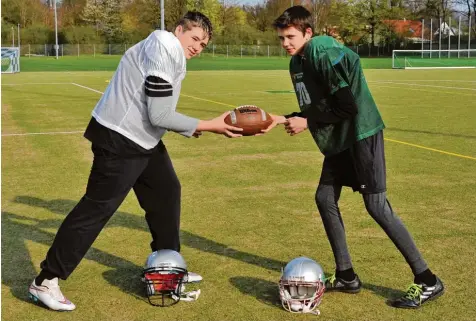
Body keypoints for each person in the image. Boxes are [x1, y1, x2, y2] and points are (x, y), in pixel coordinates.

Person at [28, 11, 242, 311]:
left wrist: (189, 128)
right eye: (194, 38)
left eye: (204, 44)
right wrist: (210, 125)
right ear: (178, 30)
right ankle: (45, 281)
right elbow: (160, 115)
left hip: (143, 140)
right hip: (119, 139)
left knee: (167, 192)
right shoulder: (164, 45)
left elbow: (158, 114)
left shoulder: (169, 51)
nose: (197, 46)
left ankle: (169, 266)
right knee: (96, 209)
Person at [265, 6, 444, 309]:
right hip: (340, 139)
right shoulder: (298, 62)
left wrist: (307, 122)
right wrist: (284, 117)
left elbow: (348, 107)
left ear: (308, 32)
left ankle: (427, 280)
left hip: (361, 134)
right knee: (324, 198)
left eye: (290, 36)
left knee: (376, 206)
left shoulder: (321, 51)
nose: (285, 43)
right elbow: (319, 108)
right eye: (282, 37)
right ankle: (347, 275)